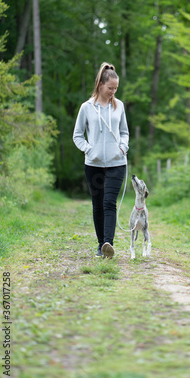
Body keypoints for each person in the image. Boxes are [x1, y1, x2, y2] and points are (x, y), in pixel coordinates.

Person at [73, 62, 129, 259]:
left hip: (116, 164)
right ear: (100, 85)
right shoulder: (86, 108)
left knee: (109, 202)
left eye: (116, 88)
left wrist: (123, 147)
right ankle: (100, 245)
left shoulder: (119, 106)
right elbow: (77, 135)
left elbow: (124, 132)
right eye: (110, 88)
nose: (113, 92)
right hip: (94, 165)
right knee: (97, 204)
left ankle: (108, 244)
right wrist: (89, 150)